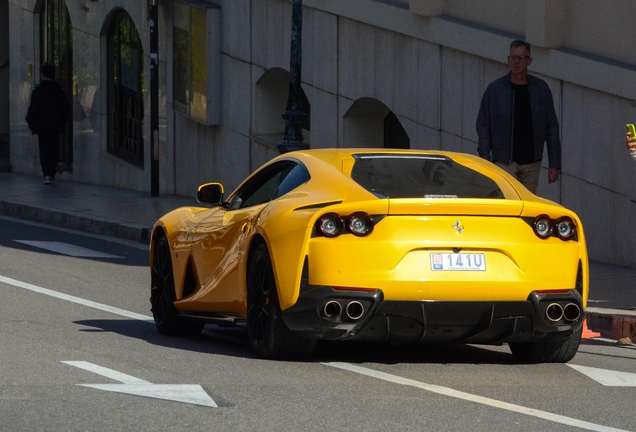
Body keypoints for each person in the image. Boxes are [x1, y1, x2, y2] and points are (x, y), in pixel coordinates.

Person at [476, 40, 561, 194]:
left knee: (527, 206)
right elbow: (483, 125)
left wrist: (554, 164)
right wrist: (484, 159)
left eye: (521, 58)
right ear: (508, 60)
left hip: (531, 162)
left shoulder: (541, 89)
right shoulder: (495, 90)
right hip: (503, 161)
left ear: (529, 61)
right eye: (513, 58)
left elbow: (551, 128)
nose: (516, 62)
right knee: (507, 203)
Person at [25, 64, 71, 185]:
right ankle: (51, 173)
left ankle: (47, 174)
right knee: (54, 149)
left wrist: (33, 125)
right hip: (55, 127)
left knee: (44, 150)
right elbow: (66, 111)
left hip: (42, 127)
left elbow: (32, 111)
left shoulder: (38, 92)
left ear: (42, 76)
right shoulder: (60, 92)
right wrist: (61, 123)